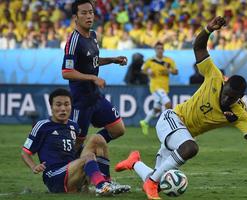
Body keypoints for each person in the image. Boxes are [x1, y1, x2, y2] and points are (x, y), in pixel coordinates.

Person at [114, 16, 247, 200]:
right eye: (226, 93)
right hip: (172, 119)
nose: (226, 98)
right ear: (224, 83)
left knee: (161, 178)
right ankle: (150, 183)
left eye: (232, 98)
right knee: (190, 148)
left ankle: (135, 162)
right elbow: (199, 48)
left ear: (240, 98)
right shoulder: (214, 76)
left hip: (182, 135)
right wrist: (208, 29)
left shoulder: (239, 113)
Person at [61, 0, 129, 192]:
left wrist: (112, 60)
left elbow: (93, 60)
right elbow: (66, 72)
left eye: (91, 12)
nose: (89, 16)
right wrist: (92, 77)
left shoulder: (92, 36)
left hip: (95, 96)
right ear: (75, 17)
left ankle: (92, 149)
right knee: (77, 143)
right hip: (81, 101)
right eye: (84, 13)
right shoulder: (73, 40)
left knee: (118, 129)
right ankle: (74, 180)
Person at [21, 88, 127, 195]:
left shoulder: (74, 126)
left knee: (97, 139)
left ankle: (107, 183)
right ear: (51, 107)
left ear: (71, 106)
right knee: (88, 157)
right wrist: (34, 166)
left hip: (72, 171)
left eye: (67, 104)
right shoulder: (42, 126)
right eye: (58, 105)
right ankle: (101, 186)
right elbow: (25, 153)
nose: (63, 108)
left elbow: (75, 149)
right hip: (54, 176)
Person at [139, 41, 178, 135]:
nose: (160, 50)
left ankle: (145, 122)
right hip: (155, 87)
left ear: (164, 50)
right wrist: (148, 72)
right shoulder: (150, 61)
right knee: (168, 104)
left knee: (157, 109)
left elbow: (176, 72)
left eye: (161, 48)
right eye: (158, 48)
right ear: (155, 50)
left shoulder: (169, 60)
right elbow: (142, 70)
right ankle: (167, 127)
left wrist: (169, 70)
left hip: (165, 87)